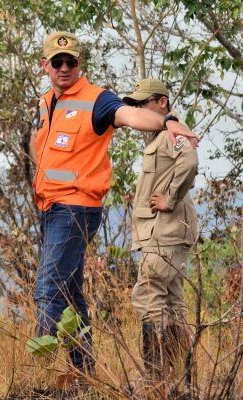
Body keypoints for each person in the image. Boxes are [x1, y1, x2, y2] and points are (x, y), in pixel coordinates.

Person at [30, 32, 200, 374]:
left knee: (47, 288)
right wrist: (44, 169)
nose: (65, 68)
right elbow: (40, 142)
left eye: (71, 62)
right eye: (58, 62)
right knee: (70, 290)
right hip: (50, 208)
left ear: (80, 64)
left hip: (76, 209)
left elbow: (130, 116)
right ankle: (83, 372)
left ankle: (41, 374)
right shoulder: (46, 101)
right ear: (44, 65)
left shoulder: (98, 99)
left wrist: (167, 123)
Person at [123, 79, 198, 379]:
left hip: (164, 232)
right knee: (172, 302)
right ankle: (182, 376)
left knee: (148, 296)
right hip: (164, 232)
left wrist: (170, 198)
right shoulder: (159, 136)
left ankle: (155, 378)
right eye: (135, 105)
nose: (138, 110)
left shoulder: (172, 133)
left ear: (161, 103)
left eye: (143, 104)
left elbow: (190, 160)